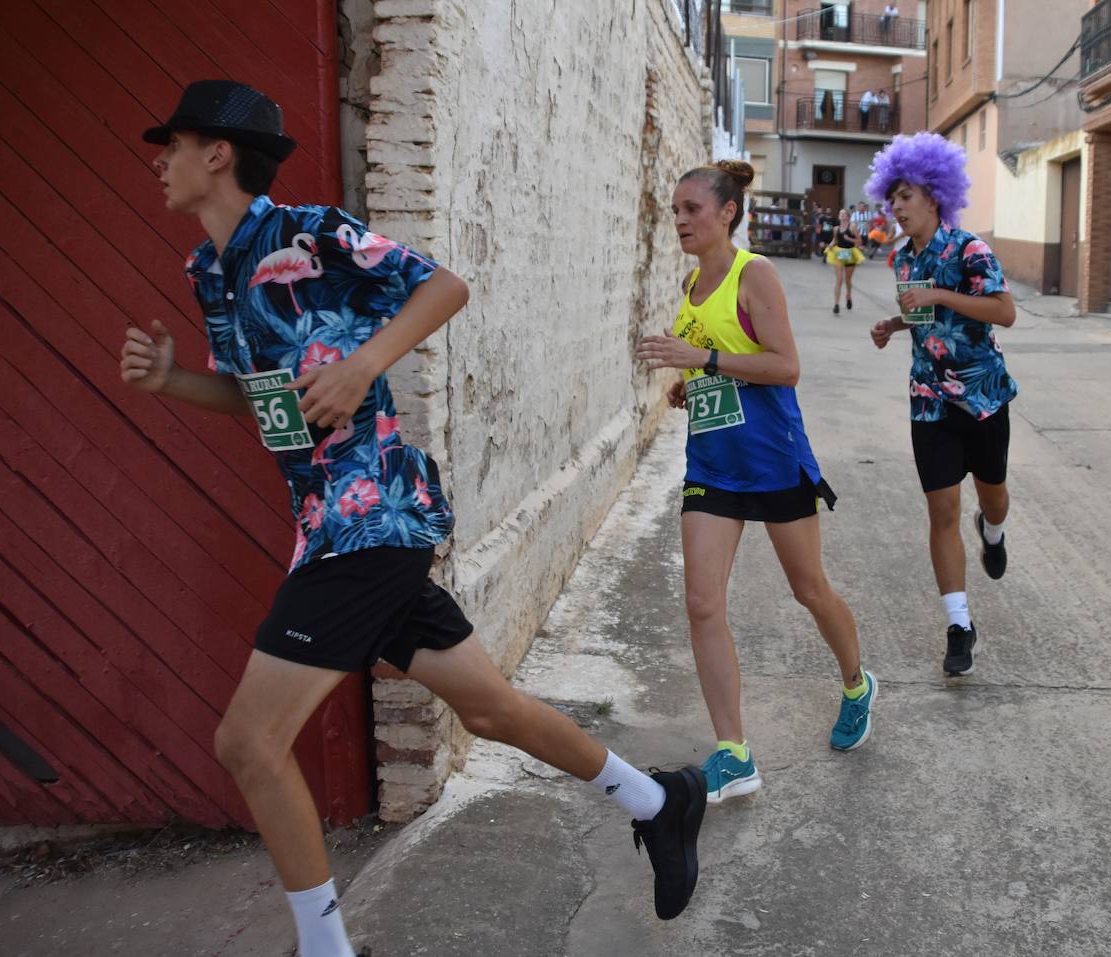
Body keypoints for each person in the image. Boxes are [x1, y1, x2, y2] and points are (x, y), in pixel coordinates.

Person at [122, 80, 707, 956]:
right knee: (493, 709)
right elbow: (261, 402)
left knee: (247, 741)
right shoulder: (211, 272)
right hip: (324, 523)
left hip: (374, 516)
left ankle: (326, 950)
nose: (158, 162)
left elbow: (442, 286)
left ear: (216, 153)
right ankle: (659, 801)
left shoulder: (309, 231)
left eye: (170, 145)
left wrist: (362, 366)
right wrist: (173, 382)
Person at [635, 160, 876, 804]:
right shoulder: (691, 285)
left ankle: (856, 682)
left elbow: (785, 366)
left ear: (728, 214)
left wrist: (703, 358)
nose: (681, 220)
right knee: (702, 603)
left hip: (772, 459)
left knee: (809, 589)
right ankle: (733, 753)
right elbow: (724, 366)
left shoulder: (755, 275)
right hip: (713, 465)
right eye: (676, 210)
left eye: (692, 209)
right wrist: (694, 383)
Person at [865, 132, 1017, 678]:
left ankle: (993, 531)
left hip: (981, 397)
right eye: (893, 198)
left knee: (992, 497)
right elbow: (923, 315)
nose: (897, 208)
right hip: (929, 401)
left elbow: (1003, 312)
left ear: (933, 195)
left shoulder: (969, 249)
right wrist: (896, 323)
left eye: (905, 196)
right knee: (940, 510)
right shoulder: (901, 259)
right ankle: (959, 625)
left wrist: (937, 296)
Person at [825, 207, 864, 313]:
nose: (841, 215)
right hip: (839, 254)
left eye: (843, 214)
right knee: (839, 280)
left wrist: (849, 239)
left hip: (850, 253)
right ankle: (836, 304)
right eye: (840, 213)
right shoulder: (836, 228)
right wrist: (830, 245)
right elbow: (835, 240)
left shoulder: (852, 226)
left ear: (847, 216)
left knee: (847, 280)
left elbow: (859, 241)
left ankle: (848, 296)